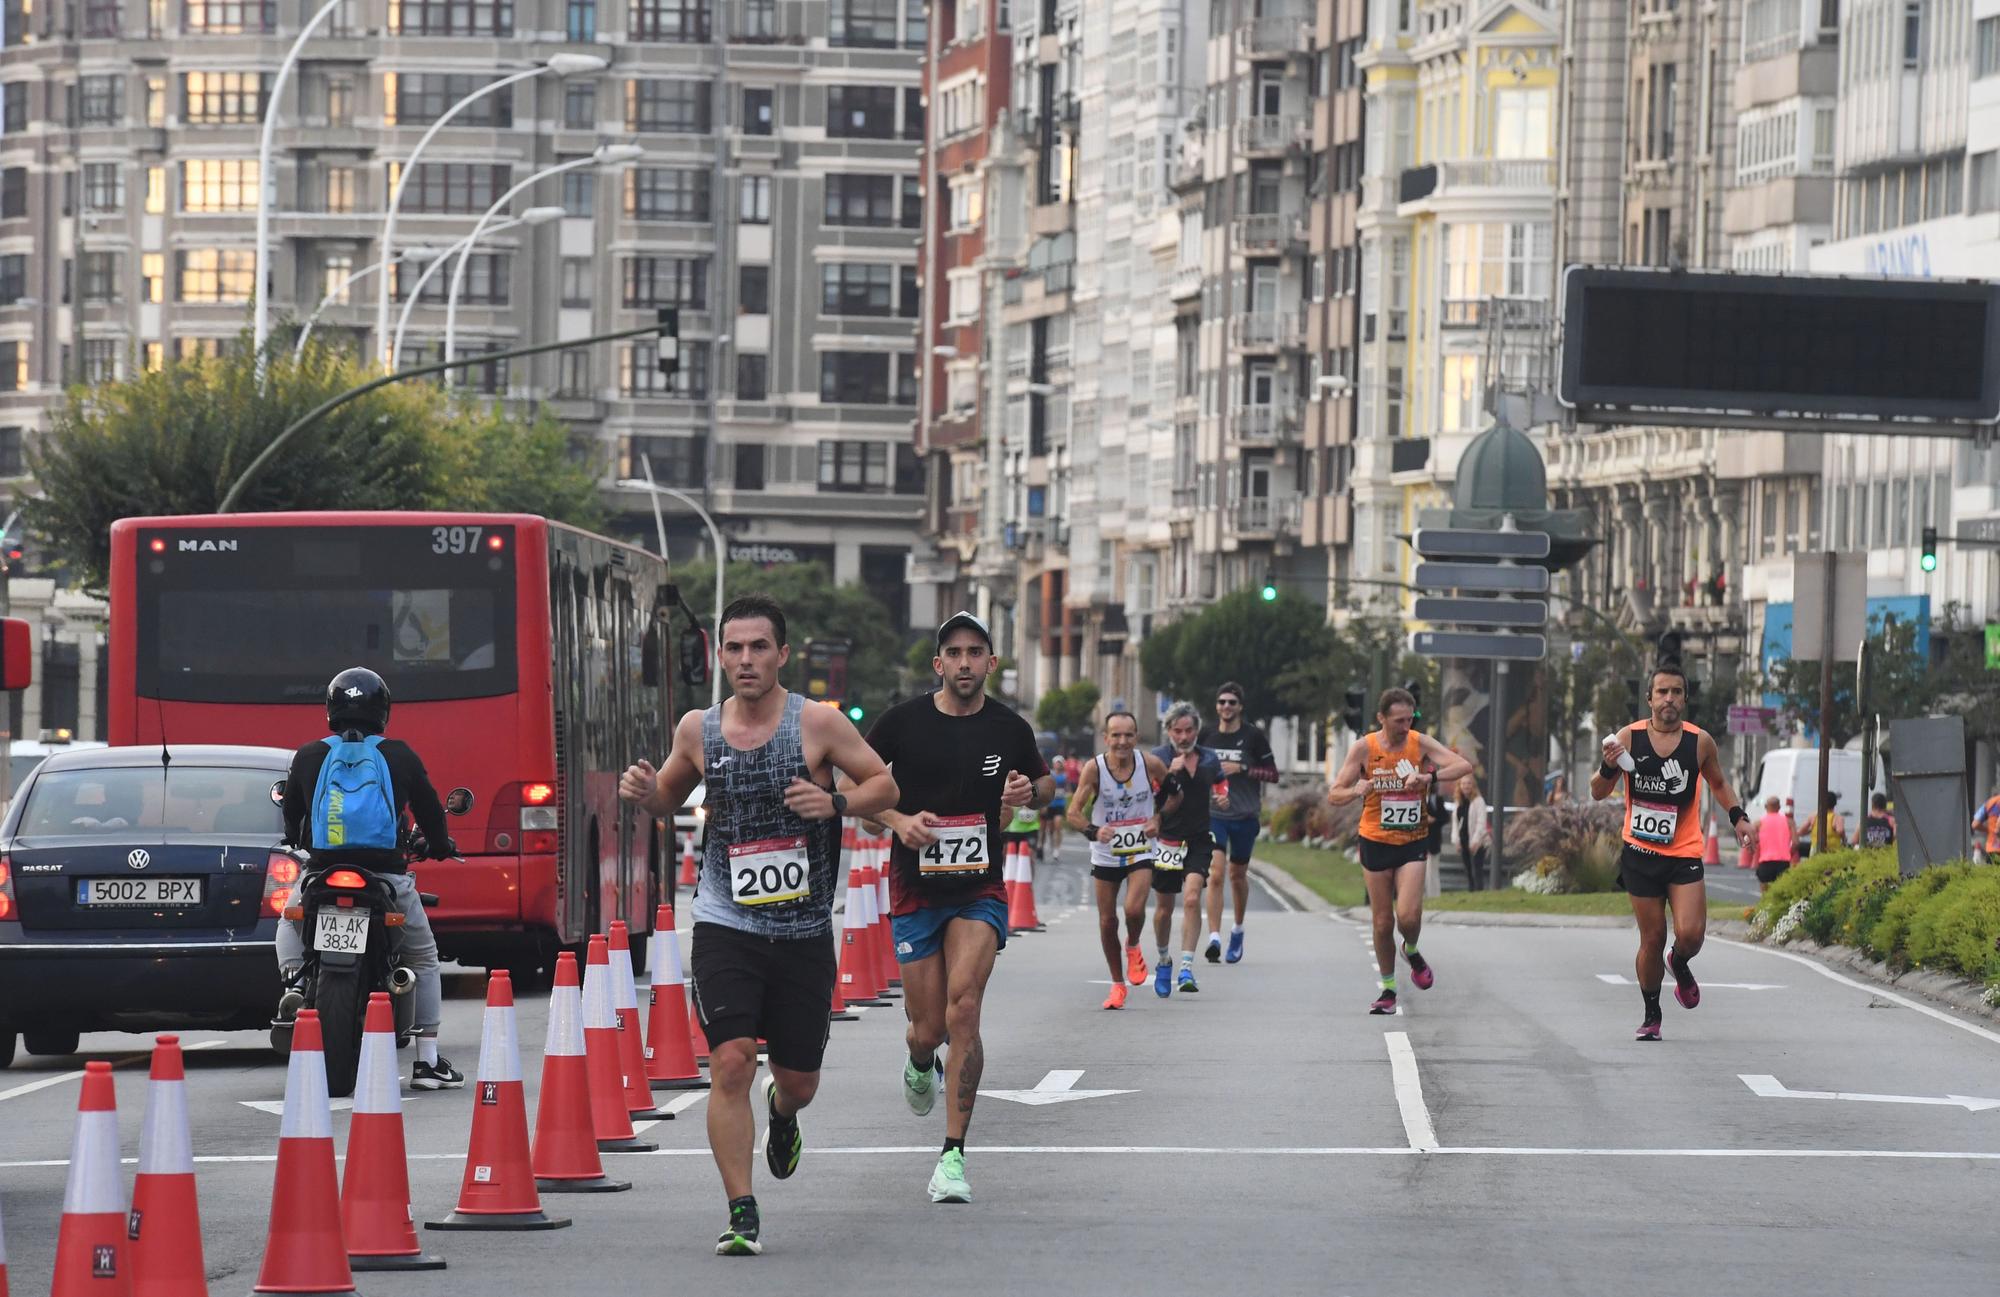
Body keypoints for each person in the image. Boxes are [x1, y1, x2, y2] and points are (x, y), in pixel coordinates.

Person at [618, 594, 898, 1257]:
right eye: (735, 648)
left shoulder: (819, 724)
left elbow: (884, 787)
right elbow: (668, 796)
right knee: (731, 1061)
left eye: (759, 647)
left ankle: (782, 1113)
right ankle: (741, 1208)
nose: (746, 659)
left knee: (798, 1079)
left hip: (802, 931)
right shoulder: (699, 729)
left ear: (782, 654)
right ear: (721, 655)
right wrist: (645, 795)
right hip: (724, 921)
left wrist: (834, 801)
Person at [860, 612, 1052, 1206]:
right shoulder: (901, 724)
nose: (966, 663)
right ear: (937, 664)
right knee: (930, 1028)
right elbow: (861, 799)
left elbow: (1043, 789)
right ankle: (921, 1060)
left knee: (964, 1007)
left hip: (980, 889)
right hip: (916, 890)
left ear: (992, 663)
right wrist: (897, 820)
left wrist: (1027, 795)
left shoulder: (1009, 727)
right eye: (955, 653)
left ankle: (952, 1156)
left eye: (977, 652)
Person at [275, 667, 461, 1092]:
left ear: (330, 709)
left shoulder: (307, 755)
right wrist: (439, 844)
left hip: (322, 873)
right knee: (424, 957)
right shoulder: (399, 755)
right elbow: (431, 811)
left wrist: (296, 838)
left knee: (288, 921)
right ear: (383, 711)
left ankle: (296, 983)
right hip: (386, 878)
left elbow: (292, 817)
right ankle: (428, 1062)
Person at [1592, 664, 1753, 1043]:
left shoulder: (1700, 742)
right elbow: (1598, 791)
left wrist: (1739, 817)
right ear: (1649, 699)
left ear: (1684, 698)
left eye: (1676, 692)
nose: (1669, 699)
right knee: (1652, 937)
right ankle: (1651, 1014)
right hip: (1640, 851)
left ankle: (1679, 962)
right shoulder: (1628, 738)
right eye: (1662, 692)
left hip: (1683, 852)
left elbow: (1718, 783)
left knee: (1691, 934)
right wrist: (1607, 765)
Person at [1326, 688, 1472, 1015]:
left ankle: (1412, 949)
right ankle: (1389, 990)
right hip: (1375, 840)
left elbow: (1463, 766)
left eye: (1410, 719)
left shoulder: (1419, 743)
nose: (1405, 726)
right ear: (1381, 718)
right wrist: (1355, 790)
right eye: (1398, 721)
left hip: (1412, 840)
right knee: (1381, 922)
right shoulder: (1365, 748)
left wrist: (1428, 777)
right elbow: (1334, 794)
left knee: (1407, 916)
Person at [1068, 711, 1176, 1010]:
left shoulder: (1150, 764)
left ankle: (1133, 944)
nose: (1122, 741)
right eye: (1115, 735)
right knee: (1107, 921)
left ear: (1136, 737)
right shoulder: (1095, 769)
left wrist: (1158, 818)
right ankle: (1118, 985)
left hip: (1140, 847)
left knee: (1133, 909)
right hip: (1106, 851)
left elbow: (1175, 795)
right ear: (1106, 739)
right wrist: (1093, 830)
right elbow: (1073, 813)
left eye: (1128, 735)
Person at [1197, 682, 1277, 964]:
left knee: (1237, 876)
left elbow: (1272, 774)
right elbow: (1193, 767)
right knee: (1216, 873)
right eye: (1222, 702)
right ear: (1216, 706)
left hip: (1245, 815)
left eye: (1232, 702)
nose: (1226, 707)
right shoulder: (1206, 735)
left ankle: (1238, 929)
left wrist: (1242, 768)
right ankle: (1214, 938)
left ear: (1240, 706)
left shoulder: (1253, 736)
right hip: (1214, 814)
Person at [1149, 702, 1223, 996]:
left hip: (1198, 838)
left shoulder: (1208, 758)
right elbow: (1150, 797)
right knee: (1164, 909)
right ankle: (1165, 957)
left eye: (1189, 730)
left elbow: (1219, 782)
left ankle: (1186, 968)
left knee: (1192, 898)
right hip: (1166, 839)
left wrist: (1222, 796)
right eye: (1177, 731)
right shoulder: (1157, 758)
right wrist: (1168, 773)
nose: (1183, 736)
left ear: (1197, 730)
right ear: (1168, 731)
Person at [1454, 774, 1488, 892]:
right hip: (1463, 839)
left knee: (1477, 868)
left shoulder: (1479, 801)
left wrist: (1476, 841)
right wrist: (1456, 840)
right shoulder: (1459, 802)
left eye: (1468, 783)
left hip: (1477, 841)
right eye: (1463, 784)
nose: (1466, 786)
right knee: (1468, 868)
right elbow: (1456, 823)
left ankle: (1479, 891)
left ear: (1473, 785)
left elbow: (1481, 822)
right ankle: (1471, 890)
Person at [1753, 796, 1796, 893]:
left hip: (1765, 861)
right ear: (1779, 807)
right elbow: (1796, 843)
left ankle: (1765, 907)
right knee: (1782, 894)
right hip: (1783, 862)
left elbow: (1749, 840)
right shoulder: (1789, 822)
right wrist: (1789, 854)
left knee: (1765, 894)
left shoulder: (1758, 823)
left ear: (1765, 806)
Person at [1040, 767, 1069, 856]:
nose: (1058, 764)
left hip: (1060, 804)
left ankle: (1057, 848)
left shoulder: (1065, 776)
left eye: (1060, 762)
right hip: (1050, 805)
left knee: (1058, 825)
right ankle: (1051, 842)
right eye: (1057, 762)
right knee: (1050, 828)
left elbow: (1068, 789)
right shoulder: (1050, 775)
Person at [1973, 786, 2000, 865]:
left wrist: (1988, 830)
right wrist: (1997, 830)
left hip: (1991, 848)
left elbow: (1975, 824)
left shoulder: (1989, 803)